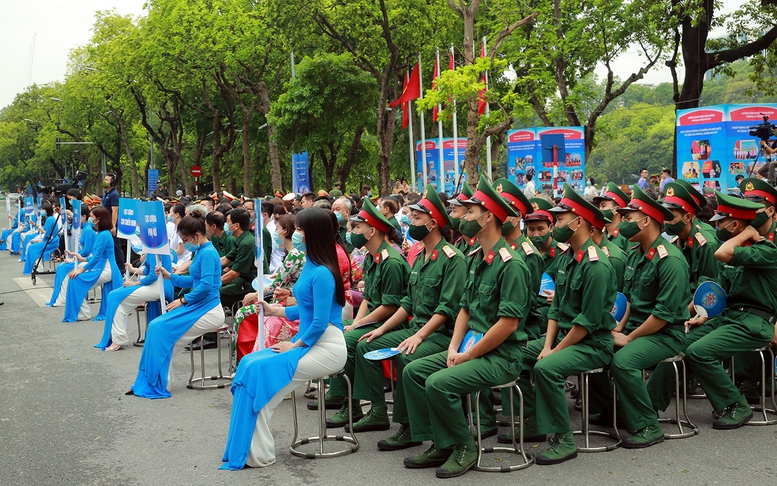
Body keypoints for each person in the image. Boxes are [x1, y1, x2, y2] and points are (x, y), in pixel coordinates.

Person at [402, 178, 531, 479]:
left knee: (438, 382)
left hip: (502, 356)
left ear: (489, 218)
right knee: (414, 371)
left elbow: (508, 324)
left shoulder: (511, 264)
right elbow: (463, 308)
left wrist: (468, 354)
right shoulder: (476, 257)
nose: (463, 218)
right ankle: (441, 442)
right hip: (470, 347)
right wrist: (452, 347)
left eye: (470, 213)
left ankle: (464, 446)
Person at [221, 208, 347, 470]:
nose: (295, 234)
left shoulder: (322, 271)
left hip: (326, 346)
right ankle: (250, 448)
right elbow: (306, 308)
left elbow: (320, 322)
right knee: (249, 364)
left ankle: (257, 452)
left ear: (312, 233)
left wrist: (295, 345)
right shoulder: (312, 263)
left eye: (300, 229)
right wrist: (274, 310)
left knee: (259, 372)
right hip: (309, 340)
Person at [352, 187, 465, 444]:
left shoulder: (452, 258)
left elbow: (446, 310)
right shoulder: (421, 256)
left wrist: (419, 335)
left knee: (406, 356)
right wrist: (380, 329)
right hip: (417, 329)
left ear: (434, 223)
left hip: (440, 333)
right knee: (366, 343)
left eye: (416, 218)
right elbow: (408, 304)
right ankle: (377, 411)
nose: (410, 222)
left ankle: (412, 427)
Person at [521, 184, 617, 465]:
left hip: (593, 343)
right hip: (565, 336)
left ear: (580, 222)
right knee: (518, 353)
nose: (556, 224)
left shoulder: (596, 265)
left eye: (560, 219)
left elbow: (587, 323)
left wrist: (554, 351)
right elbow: (556, 308)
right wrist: (547, 344)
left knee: (546, 367)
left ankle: (564, 439)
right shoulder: (566, 257)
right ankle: (536, 421)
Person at [589, 185, 690, 449]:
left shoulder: (671, 260)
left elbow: (664, 315)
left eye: (628, 218)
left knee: (623, 362)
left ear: (645, 221)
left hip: (667, 334)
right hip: (639, 328)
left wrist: (629, 338)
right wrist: (618, 329)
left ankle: (648, 425)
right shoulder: (637, 253)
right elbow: (632, 300)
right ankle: (620, 410)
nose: (621, 223)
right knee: (593, 346)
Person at [681, 191, 777, 428]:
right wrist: (702, 315)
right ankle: (648, 406)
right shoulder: (739, 247)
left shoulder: (765, 248)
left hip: (753, 321)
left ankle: (737, 404)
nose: (717, 226)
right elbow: (721, 291)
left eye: (721, 222)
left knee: (698, 352)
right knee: (679, 340)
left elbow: (720, 253)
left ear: (735, 224)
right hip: (730, 316)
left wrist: (746, 233)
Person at [323, 199, 409, 428]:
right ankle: (348, 403)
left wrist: (358, 325)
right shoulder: (373, 257)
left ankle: (369, 408)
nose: (353, 232)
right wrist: (357, 322)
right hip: (377, 318)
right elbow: (369, 299)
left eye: (358, 228)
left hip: (394, 323)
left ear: (372, 231)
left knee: (350, 340)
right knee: (337, 331)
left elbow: (390, 307)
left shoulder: (391, 261)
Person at [128, 210, 225, 399]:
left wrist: (182, 300)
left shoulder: (208, 254)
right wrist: (170, 276)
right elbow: (194, 282)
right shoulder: (201, 252)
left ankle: (159, 381)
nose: (183, 243)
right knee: (157, 327)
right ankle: (153, 380)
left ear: (197, 235)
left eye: (185, 239)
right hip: (199, 305)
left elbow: (206, 286)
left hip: (208, 308)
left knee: (162, 333)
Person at [646, 182, 721, 412]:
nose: (666, 219)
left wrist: (676, 317)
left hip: (710, 313)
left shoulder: (705, 243)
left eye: (671, 215)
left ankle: (649, 406)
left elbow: (709, 294)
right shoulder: (679, 238)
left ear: (687, 217)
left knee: (676, 344)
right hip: (685, 311)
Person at [233, 213, 305, 364]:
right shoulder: (291, 253)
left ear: (285, 231)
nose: (276, 232)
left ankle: (244, 360)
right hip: (283, 298)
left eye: (278, 228)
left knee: (242, 313)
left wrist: (253, 295)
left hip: (288, 302)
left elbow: (276, 285)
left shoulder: (295, 254)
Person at [96, 249, 175, 352]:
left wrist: (134, 283)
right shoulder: (155, 247)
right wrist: (132, 269)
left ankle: (118, 339)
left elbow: (152, 276)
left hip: (159, 286)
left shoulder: (153, 249)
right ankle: (118, 338)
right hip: (160, 285)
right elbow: (148, 271)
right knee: (117, 301)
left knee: (114, 296)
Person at [59, 206, 123, 322]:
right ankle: (82, 312)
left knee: (76, 280)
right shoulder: (101, 233)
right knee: (75, 280)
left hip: (108, 269)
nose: (90, 218)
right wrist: (79, 258)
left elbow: (97, 257)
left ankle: (84, 313)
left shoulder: (104, 234)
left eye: (92, 216)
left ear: (98, 219)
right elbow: (96, 257)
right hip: (103, 266)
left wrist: (81, 270)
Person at [48, 205, 96, 306]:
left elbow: (87, 250)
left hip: (87, 259)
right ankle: (60, 297)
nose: (74, 218)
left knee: (63, 269)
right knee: (61, 267)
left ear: (83, 216)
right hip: (82, 257)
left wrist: (74, 258)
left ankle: (63, 299)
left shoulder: (87, 230)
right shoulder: (85, 228)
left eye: (76, 216)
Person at [219, 208, 257, 311]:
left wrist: (212, 283)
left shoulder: (247, 243)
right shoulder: (242, 240)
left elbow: (234, 273)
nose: (226, 224)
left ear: (236, 226)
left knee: (215, 292)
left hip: (250, 284)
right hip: (241, 281)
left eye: (228, 221)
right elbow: (226, 260)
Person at [22, 203, 60, 275]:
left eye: (43, 209)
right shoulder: (50, 218)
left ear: (46, 211)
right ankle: (35, 266)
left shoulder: (50, 219)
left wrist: (42, 240)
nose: (41, 211)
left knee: (32, 248)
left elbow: (47, 233)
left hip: (51, 242)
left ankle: (36, 268)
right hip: (52, 240)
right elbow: (45, 230)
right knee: (33, 246)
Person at [593, 182, 632, 253]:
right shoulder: (601, 234)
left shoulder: (626, 236)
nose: (600, 210)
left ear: (616, 210)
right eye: (599, 206)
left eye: (603, 206)